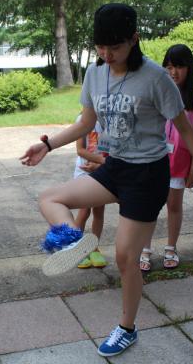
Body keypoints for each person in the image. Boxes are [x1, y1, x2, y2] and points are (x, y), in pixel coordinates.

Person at [20, 3, 193, 357]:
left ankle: (127, 328)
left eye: (114, 47)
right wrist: (47, 145)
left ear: (134, 39)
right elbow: (86, 123)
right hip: (114, 166)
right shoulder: (95, 73)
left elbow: (185, 129)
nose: (107, 54)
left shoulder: (156, 78)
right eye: (100, 47)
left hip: (148, 175)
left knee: (125, 258)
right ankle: (74, 243)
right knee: (49, 198)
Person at [140, 44, 193, 272]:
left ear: (189, 68)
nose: (173, 72)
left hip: (180, 163)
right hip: (154, 159)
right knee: (149, 205)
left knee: (173, 205)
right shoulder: (159, 91)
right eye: (169, 67)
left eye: (179, 66)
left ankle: (170, 248)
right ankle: (145, 249)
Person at [73, 114, 108, 269]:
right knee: (84, 211)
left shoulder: (109, 119)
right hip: (84, 171)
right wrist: (100, 161)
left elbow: (113, 149)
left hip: (102, 170)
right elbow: (80, 150)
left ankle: (94, 248)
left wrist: (101, 165)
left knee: (99, 211)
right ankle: (76, 249)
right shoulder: (83, 119)